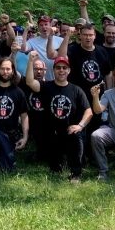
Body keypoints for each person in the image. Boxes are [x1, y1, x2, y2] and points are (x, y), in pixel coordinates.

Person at [24, 53, 92, 182]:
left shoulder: (76, 90)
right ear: (53, 70)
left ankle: (76, 174)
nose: (61, 70)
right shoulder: (46, 87)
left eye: (64, 68)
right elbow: (29, 82)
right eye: (58, 67)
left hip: (70, 132)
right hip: (52, 133)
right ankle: (57, 164)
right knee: (55, 168)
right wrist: (30, 62)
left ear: (69, 70)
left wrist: (80, 125)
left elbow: (89, 111)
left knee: (77, 136)